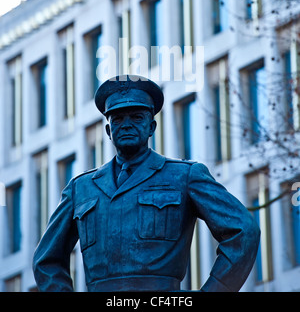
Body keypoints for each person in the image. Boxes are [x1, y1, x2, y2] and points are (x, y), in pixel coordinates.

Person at [33, 74, 260, 292]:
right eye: (118, 118)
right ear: (108, 131)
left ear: (151, 127)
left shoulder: (185, 175)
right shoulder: (81, 188)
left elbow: (244, 231)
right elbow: (46, 260)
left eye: (137, 117)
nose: (127, 124)